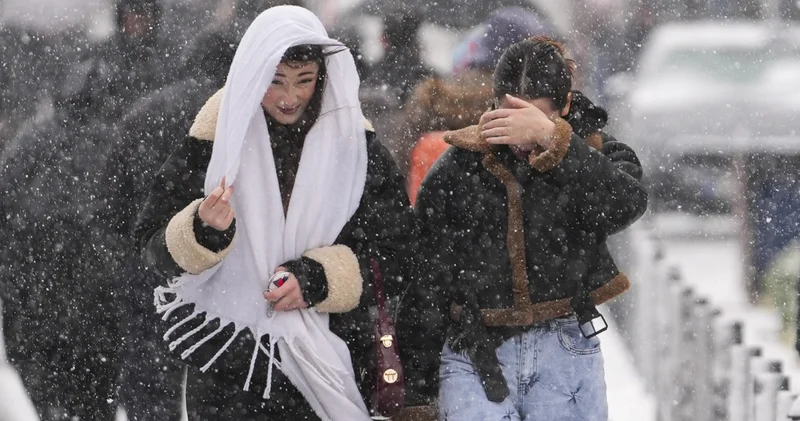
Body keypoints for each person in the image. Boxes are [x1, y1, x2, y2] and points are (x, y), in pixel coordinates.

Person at [135, 6, 433, 420]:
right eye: (275, 82)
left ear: (322, 76)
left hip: (330, 359)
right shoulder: (218, 135)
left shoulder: (353, 142)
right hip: (230, 364)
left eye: (304, 81)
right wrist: (203, 229)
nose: (289, 97)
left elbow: (398, 252)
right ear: (254, 73)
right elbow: (150, 246)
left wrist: (316, 279)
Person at [415, 37, 648, 421]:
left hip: (565, 343)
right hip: (474, 349)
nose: (518, 131)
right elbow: (425, 281)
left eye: (534, 117)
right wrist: (416, 395)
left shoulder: (594, 151)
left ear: (566, 105)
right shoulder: (459, 167)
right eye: (509, 113)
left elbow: (625, 205)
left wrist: (553, 142)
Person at [0, 55, 121, 421]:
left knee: (49, 392)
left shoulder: (35, 142)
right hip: (96, 302)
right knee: (96, 397)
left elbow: (5, 200)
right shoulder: (116, 143)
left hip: (38, 296)